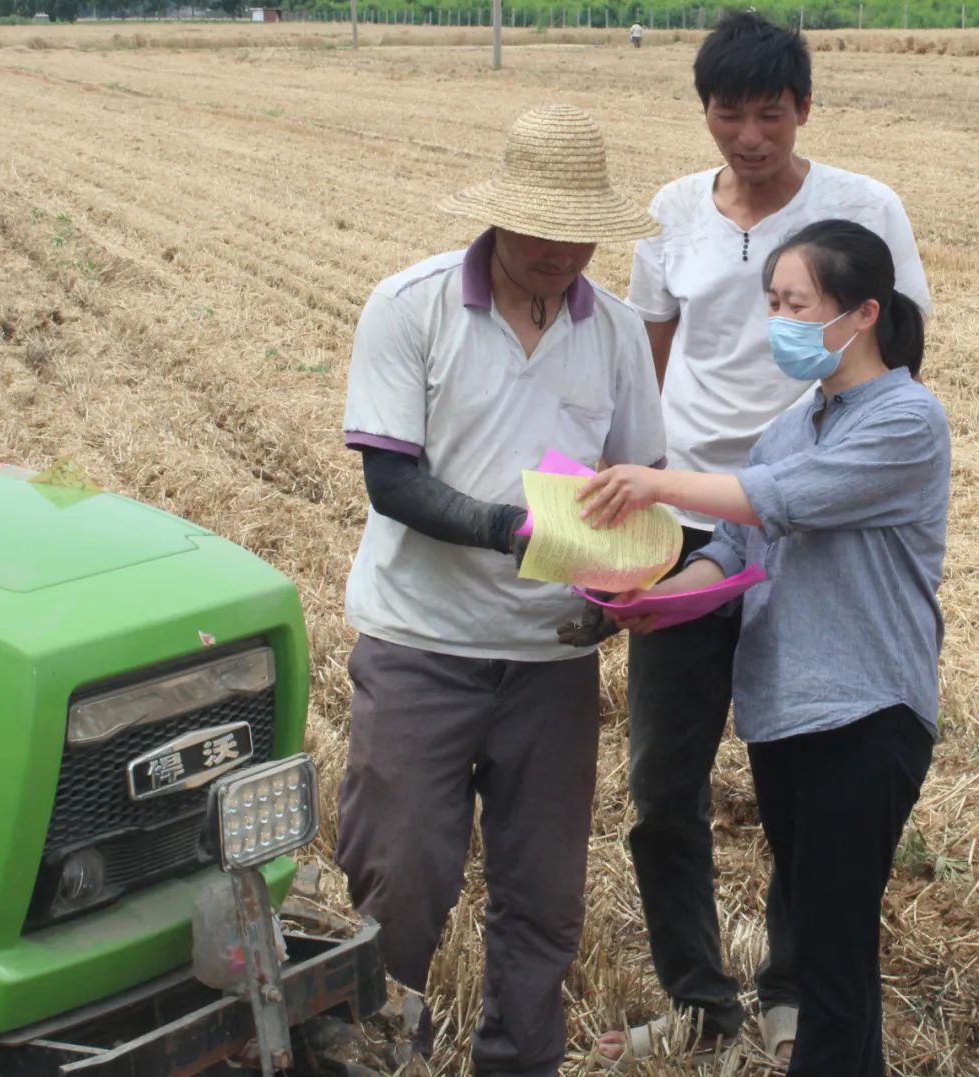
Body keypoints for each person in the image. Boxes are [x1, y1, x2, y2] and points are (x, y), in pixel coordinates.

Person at [595, 11, 932, 1070]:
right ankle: (701, 999)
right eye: (728, 114)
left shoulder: (865, 211)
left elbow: (898, 362)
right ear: (703, 110)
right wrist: (654, 538)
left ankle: (797, 992)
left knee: (812, 755)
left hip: (813, 521)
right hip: (700, 520)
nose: (749, 136)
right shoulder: (671, 214)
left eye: (770, 114)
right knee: (665, 783)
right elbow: (647, 364)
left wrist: (837, 471)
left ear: (804, 109)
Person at [335, 103, 667, 1077]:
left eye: (581, 231)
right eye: (543, 228)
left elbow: (638, 483)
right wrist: (509, 530)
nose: (563, 251)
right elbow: (391, 483)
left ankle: (519, 1063)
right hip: (421, 644)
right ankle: (381, 1053)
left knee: (543, 901)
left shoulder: (613, 331)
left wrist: (630, 583)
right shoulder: (412, 306)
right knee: (399, 880)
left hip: (550, 659)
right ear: (502, 212)